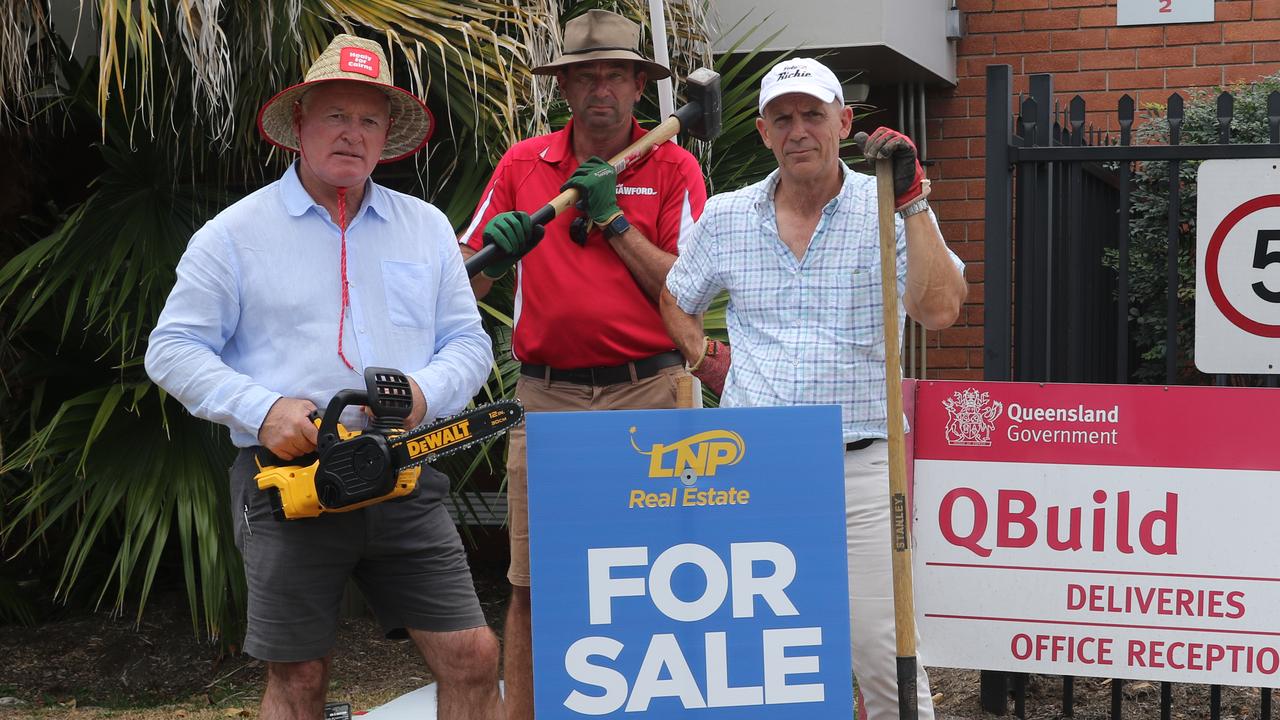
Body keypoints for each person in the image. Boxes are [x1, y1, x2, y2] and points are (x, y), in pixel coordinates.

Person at [145, 34, 502, 720]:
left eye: (369, 120)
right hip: (290, 481)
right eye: (336, 115)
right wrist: (262, 407)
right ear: (300, 126)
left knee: (473, 655)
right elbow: (173, 347)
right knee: (300, 675)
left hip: (402, 471)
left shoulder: (425, 229)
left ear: (386, 138)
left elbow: (466, 340)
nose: (353, 133)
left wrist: (426, 394)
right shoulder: (234, 234)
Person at [660, 57, 968, 720]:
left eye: (813, 115)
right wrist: (705, 358)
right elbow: (676, 296)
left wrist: (913, 202)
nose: (799, 130)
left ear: (844, 122)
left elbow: (941, 309)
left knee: (883, 652)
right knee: (766, 655)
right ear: (764, 132)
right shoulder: (726, 216)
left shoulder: (888, 205)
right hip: (752, 465)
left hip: (862, 465)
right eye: (783, 119)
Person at [456, 9, 711, 719]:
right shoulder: (522, 164)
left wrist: (615, 220)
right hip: (547, 403)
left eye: (616, 76)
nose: (602, 89)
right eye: (586, 76)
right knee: (535, 583)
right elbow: (459, 282)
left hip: (653, 392)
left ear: (639, 86)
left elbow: (686, 291)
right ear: (564, 88)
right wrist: (496, 256)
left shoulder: (673, 164)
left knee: (669, 576)